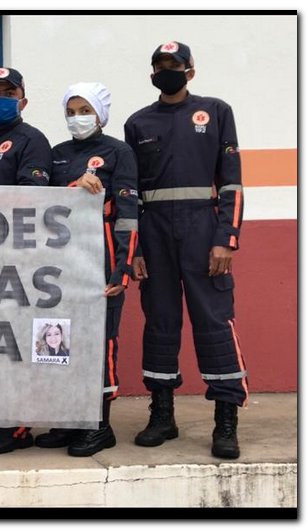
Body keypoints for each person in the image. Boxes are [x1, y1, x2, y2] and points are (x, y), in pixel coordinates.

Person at [124, 41, 247, 460]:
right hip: (154, 234)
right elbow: (131, 193)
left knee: (213, 322)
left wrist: (225, 238)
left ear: (190, 70)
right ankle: (162, 415)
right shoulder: (137, 123)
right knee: (159, 322)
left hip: (202, 229)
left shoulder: (215, 111)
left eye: (174, 64)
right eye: (159, 64)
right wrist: (134, 248)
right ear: (152, 73)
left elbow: (231, 182)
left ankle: (225, 420)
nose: (166, 70)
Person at [36, 82, 138, 457]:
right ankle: (68, 419)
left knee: (100, 341)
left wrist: (122, 269)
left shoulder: (119, 152)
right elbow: (41, 200)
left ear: (100, 114)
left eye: (85, 110)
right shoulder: (58, 153)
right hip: (60, 261)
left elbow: (128, 214)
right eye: (71, 110)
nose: (77, 118)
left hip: (102, 257)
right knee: (58, 338)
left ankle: (99, 425)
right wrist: (73, 186)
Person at [0, 67, 52, 455]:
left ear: (23, 98)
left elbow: (32, 196)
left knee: (18, 339)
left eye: (9, 90)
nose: (0, 96)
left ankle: (18, 425)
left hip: (18, 257)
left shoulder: (32, 141)